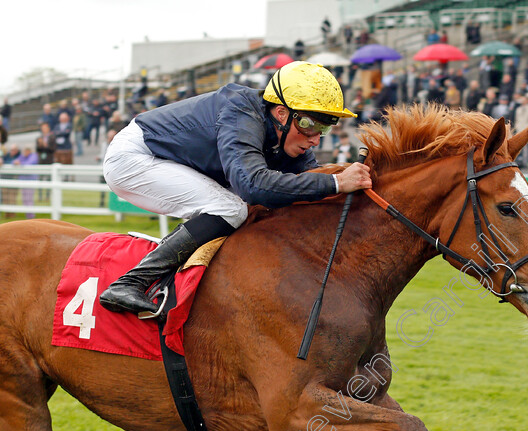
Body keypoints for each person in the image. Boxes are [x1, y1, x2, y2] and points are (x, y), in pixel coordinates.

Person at [98, 61, 372, 314]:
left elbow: (309, 178)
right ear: (281, 113)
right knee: (231, 208)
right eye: (309, 125)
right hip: (137, 156)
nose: (315, 140)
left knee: (240, 210)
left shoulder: (282, 128)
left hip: (173, 160)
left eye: (323, 129)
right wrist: (336, 182)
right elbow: (252, 185)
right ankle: (130, 283)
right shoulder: (240, 112)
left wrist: (347, 177)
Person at [14, 146, 39, 219]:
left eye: (26, 151)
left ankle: (31, 216)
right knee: (24, 198)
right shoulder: (23, 156)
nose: (25, 153)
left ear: (29, 151)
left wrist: (20, 163)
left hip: (30, 180)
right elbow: (15, 161)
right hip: (23, 180)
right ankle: (28, 215)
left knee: (29, 198)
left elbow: (29, 164)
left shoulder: (34, 156)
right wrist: (17, 162)